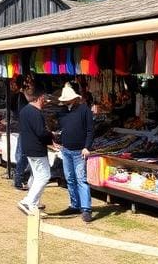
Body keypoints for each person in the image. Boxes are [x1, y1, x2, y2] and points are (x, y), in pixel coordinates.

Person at [57, 83, 94, 222]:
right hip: (66, 149)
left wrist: (87, 147)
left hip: (79, 150)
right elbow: (62, 128)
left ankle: (86, 208)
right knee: (70, 179)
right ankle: (75, 204)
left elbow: (90, 130)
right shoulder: (63, 111)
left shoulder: (84, 110)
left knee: (81, 179)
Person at [17, 87, 53, 217]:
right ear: (40, 98)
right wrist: (52, 137)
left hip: (29, 148)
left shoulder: (24, 110)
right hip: (37, 149)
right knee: (44, 176)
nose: (45, 101)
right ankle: (29, 202)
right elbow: (41, 132)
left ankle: (31, 201)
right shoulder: (36, 113)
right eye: (44, 98)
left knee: (37, 176)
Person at [10, 77, 31, 190]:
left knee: (21, 154)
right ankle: (19, 179)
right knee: (23, 155)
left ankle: (19, 178)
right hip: (25, 128)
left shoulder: (19, 97)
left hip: (22, 127)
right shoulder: (22, 97)